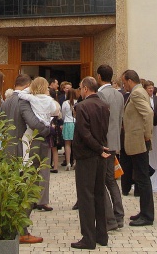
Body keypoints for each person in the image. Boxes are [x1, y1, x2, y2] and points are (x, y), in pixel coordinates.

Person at [1, 73, 48, 244]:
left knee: (14, 192)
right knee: (29, 191)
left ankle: (13, 227)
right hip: (23, 153)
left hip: (8, 152)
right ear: (28, 85)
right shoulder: (23, 101)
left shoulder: (5, 102)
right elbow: (33, 123)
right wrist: (47, 128)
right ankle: (21, 230)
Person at [71, 76, 110, 250]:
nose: (80, 90)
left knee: (86, 196)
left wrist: (98, 148)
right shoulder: (104, 105)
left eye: (80, 88)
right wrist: (101, 148)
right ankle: (102, 234)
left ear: (86, 88)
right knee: (99, 194)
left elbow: (84, 133)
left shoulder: (82, 106)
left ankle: (88, 238)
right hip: (100, 155)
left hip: (87, 155)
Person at [18, 76, 59, 210]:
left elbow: (21, 94)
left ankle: (30, 198)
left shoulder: (31, 99)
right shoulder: (48, 99)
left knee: (31, 167)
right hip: (46, 135)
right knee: (44, 168)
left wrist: (30, 89)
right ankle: (42, 200)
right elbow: (55, 111)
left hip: (32, 135)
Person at [122, 69, 154, 226]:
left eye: (124, 82)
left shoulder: (136, 93)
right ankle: (144, 211)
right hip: (138, 140)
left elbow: (148, 114)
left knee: (142, 178)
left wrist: (147, 135)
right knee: (141, 177)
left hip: (139, 141)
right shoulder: (141, 91)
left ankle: (147, 215)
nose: (124, 86)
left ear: (129, 80)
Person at [96, 64, 125, 231]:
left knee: (103, 179)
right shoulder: (119, 95)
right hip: (114, 141)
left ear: (99, 77)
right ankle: (119, 214)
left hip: (103, 142)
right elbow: (119, 120)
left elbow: (100, 120)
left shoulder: (101, 94)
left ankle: (111, 217)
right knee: (111, 180)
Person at [61, 88, 77, 169]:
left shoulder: (65, 103)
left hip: (67, 123)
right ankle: (75, 161)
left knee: (67, 144)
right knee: (75, 143)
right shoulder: (77, 102)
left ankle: (68, 163)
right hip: (75, 123)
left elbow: (63, 114)